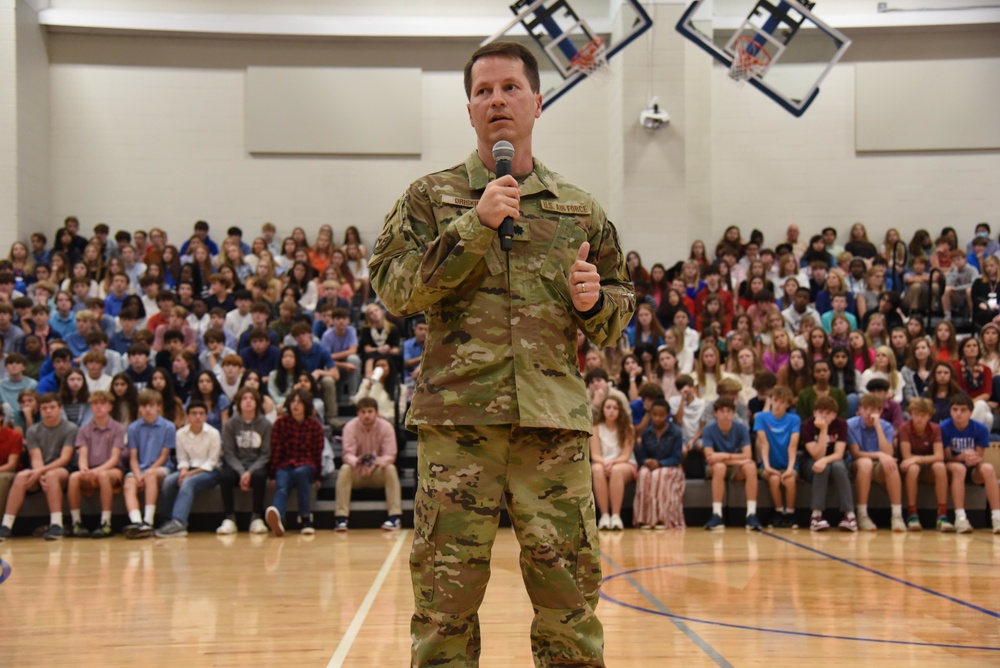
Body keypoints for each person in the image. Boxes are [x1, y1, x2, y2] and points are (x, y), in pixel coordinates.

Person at [368, 41, 633, 667]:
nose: (497, 101)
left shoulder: (579, 210)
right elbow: (393, 287)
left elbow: (617, 315)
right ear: (469, 111)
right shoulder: (430, 199)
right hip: (459, 430)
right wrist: (473, 226)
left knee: (569, 600)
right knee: (445, 603)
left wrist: (596, 303)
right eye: (483, 92)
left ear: (537, 103)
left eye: (510, 88)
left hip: (552, 429)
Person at [0, 394, 77, 541]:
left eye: (52, 407)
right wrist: (39, 475)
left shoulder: (70, 428)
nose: (48, 411)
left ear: (60, 409)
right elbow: (36, 457)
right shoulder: (33, 431)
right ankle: (6, 526)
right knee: (21, 476)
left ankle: (56, 524)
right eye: (44, 408)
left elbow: (65, 458)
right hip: (39, 468)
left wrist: (41, 473)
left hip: (63, 470)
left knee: (52, 475)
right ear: (40, 411)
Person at [154, 401, 222, 537]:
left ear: (206, 417)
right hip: (188, 468)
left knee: (187, 482)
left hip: (209, 472)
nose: (198, 416)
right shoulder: (180, 433)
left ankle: (179, 523)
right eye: (194, 413)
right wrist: (184, 471)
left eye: (201, 413)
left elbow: (212, 462)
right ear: (188, 416)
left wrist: (189, 474)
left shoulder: (213, 433)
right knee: (168, 481)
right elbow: (182, 458)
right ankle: (166, 520)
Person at [335, 396, 402, 532]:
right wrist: (358, 462)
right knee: (344, 469)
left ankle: (395, 517)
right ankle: (341, 518)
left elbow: (390, 455)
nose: (367, 415)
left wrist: (374, 462)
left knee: (390, 469)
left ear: (377, 413)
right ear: (357, 413)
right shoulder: (350, 427)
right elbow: (347, 454)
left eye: (370, 411)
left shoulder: (386, 427)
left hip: (377, 472)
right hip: (358, 473)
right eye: (363, 412)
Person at [265, 389, 324, 536]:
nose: (295, 405)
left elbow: (317, 453)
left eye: (299, 402)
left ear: (306, 405)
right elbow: (276, 450)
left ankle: (305, 518)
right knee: (282, 483)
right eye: (292, 402)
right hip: (285, 465)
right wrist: (272, 475)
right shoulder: (281, 424)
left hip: (307, 465)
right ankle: (279, 519)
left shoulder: (315, 426)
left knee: (300, 473)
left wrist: (318, 477)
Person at [66, 391, 124, 538]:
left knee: (103, 476)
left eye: (103, 404)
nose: (99, 407)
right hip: (91, 468)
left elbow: (114, 458)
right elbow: (82, 454)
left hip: (112, 469)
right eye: (95, 404)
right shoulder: (84, 429)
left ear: (110, 407)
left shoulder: (117, 428)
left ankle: (106, 522)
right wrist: (84, 468)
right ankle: (76, 522)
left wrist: (97, 470)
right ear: (91, 407)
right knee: (73, 477)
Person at [940, 394, 1000, 534]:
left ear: (970, 412)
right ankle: (960, 518)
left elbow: (980, 455)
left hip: (972, 468)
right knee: (959, 468)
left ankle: (997, 517)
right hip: (952, 466)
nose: (958, 413)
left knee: (988, 468)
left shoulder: (980, 428)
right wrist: (962, 457)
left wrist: (974, 458)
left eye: (963, 410)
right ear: (950, 411)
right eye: (955, 410)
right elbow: (947, 457)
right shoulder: (944, 427)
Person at [123, 389, 177, 539]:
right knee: (129, 483)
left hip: (162, 468)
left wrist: (148, 472)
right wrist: (138, 475)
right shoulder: (133, 428)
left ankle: (148, 520)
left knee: (151, 476)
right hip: (139, 468)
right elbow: (133, 457)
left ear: (158, 407)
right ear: (139, 408)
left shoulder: (168, 427)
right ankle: (137, 522)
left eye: (151, 406)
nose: (147, 409)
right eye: (144, 406)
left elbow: (164, 455)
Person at [847, 393, 905, 532]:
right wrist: (879, 454)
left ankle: (897, 516)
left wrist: (878, 426)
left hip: (878, 465)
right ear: (860, 409)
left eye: (873, 409)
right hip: (856, 465)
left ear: (880, 411)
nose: (868, 413)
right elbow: (856, 453)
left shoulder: (886, 426)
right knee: (866, 463)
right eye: (866, 408)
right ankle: (862, 515)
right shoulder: (850, 424)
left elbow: (889, 453)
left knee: (891, 465)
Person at [702, 397, 760, 531]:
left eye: (729, 411)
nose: (726, 414)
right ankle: (717, 514)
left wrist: (723, 456)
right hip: (715, 468)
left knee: (750, 466)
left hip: (735, 467)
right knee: (719, 467)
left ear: (734, 414)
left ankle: (751, 514)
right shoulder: (708, 429)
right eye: (722, 411)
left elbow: (748, 455)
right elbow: (710, 457)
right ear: (715, 414)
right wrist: (738, 459)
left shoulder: (741, 428)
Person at [800, 396, 856, 532]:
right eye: (820, 412)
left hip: (832, 461)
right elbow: (816, 454)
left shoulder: (841, 425)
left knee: (837, 465)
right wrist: (823, 430)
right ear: (814, 413)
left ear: (834, 415)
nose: (824, 416)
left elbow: (839, 453)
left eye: (828, 413)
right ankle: (816, 516)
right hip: (810, 463)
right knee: (822, 468)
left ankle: (849, 515)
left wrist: (825, 460)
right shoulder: (807, 426)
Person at [898, 397, 950, 532]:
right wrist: (916, 460)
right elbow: (906, 457)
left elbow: (939, 456)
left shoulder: (936, 429)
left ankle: (942, 515)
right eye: (916, 414)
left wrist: (918, 459)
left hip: (927, 467)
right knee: (913, 468)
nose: (919, 418)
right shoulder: (905, 428)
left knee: (940, 466)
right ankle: (912, 515)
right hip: (909, 467)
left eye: (923, 415)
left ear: (929, 415)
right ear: (910, 414)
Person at [631, 398, 685, 529]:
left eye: (661, 415)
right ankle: (645, 519)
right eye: (654, 415)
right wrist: (646, 461)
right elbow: (642, 455)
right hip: (651, 466)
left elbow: (677, 457)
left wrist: (660, 463)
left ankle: (663, 519)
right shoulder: (646, 433)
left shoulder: (676, 433)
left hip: (671, 466)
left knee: (658, 477)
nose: (657, 418)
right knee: (643, 475)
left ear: (667, 415)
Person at [754, 385, 801, 528]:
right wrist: (767, 466)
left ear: (788, 404)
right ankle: (779, 512)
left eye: (782, 402)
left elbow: (792, 446)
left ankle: (791, 514)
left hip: (788, 463)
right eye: (775, 401)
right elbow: (764, 443)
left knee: (790, 480)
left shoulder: (794, 419)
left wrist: (790, 468)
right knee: (774, 479)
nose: (778, 405)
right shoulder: (761, 417)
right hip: (770, 463)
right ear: (770, 401)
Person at [589, 394, 636, 531]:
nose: (611, 411)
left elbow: (626, 456)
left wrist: (612, 463)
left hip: (624, 464)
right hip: (603, 463)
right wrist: (605, 463)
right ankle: (604, 516)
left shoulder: (628, 428)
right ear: (603, 410)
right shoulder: (596, 428)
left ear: (620, 411)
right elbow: (595, 455)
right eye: (608, 407)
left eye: (615, 408)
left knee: (616, 470)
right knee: (596, 469)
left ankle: (616, 516)